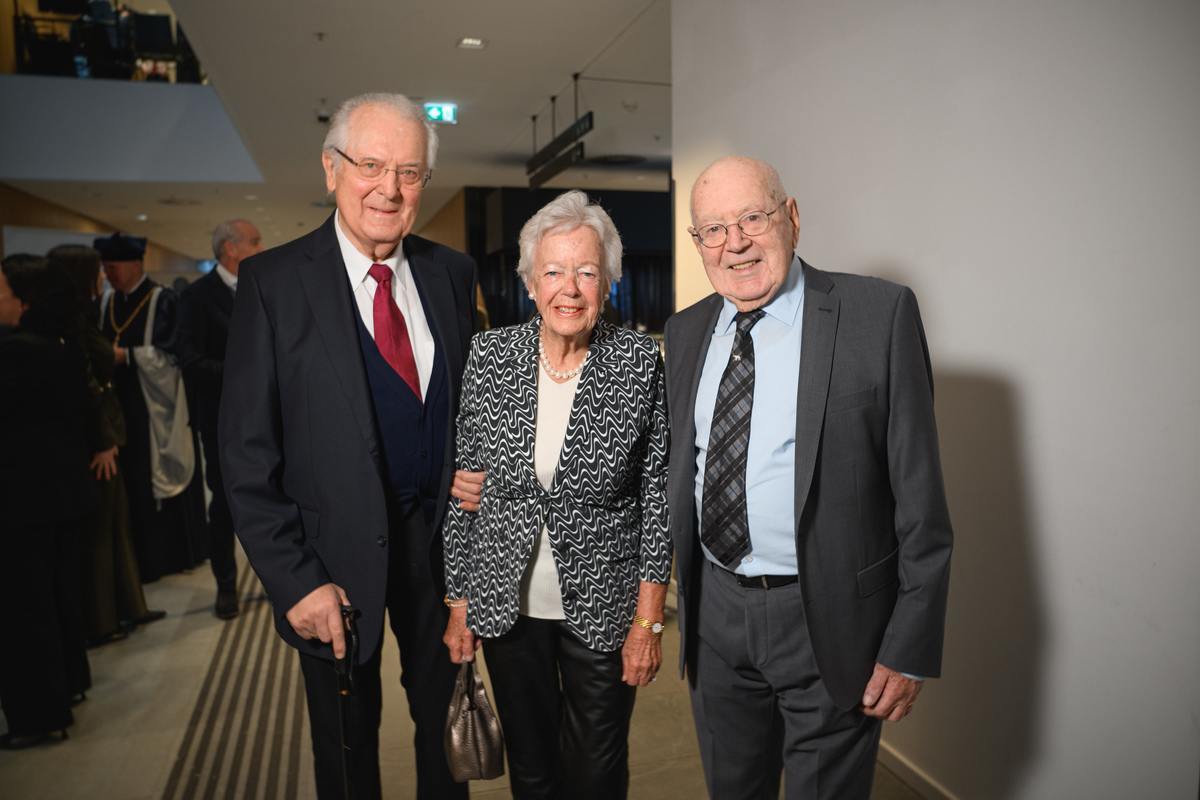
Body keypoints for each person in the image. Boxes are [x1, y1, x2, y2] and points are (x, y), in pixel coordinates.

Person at [664, 156, 954, 799]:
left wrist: (909, 643)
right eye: (713, 229)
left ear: (791, 218)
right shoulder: (685, 332)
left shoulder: (877, 314)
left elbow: (921, 502)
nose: (735, 243)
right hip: (714, 614)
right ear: (697, 242)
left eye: (752, 218)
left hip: (829, 618)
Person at [220, 92, 477, 800]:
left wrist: (480, 471)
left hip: (439, 559)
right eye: (370, 165)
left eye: (409, 172)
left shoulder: (452, 274)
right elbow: (244, 454)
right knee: (345, 753)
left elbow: (471, 408)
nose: (389, 189)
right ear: (331, 168)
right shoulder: (274, 284)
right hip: (329, 565)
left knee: (448, 743)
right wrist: (293, 580)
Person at [441, 190, 672, 799]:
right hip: (507, 604)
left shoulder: (639, 363)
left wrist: (648, 620)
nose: (569, 288)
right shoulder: (491, 356)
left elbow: (658, 501)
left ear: (609, 283)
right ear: (529, 283)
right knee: (532, 768)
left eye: (587, 272)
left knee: (597, 770)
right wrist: (458, 600)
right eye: (553, 272)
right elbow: (465, 490)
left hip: (605, 605)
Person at [46, 244, 162, 646]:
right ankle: (103, 618)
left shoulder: (80, 315)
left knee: (115, 525)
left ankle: (126, 607)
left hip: (105, 436)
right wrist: (103, 439)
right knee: (101, 532)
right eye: (98, 270)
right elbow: (88, 386)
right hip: (97, 444)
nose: (103, 277)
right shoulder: (72, 321)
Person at [0, 255, 93, 748]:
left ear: (24, 300)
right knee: (57, 598)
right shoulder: (59, 345)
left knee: (25, 612)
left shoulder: (16, 352)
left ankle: (39, 716)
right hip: (59, 494)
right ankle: (69, 684)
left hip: (22, 502)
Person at [96, 232, 205, 584]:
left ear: (135, 264)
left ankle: (171, 554)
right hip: (117, 405)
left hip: (154, 405)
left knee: (154, 474)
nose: (110, 274)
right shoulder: (106, 302)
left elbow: (175, 356)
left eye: (114, 267)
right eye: (105, 268)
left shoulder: (163, 300)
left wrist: (126, 356)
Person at [177, 219, 262, 620]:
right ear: (231, 248)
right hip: (220, 421)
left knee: (275, 500)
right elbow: (190, 360)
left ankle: (283, 581)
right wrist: (245, 373)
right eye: (254, 241)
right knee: (225, 506)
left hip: (270, 417)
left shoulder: (263, 286)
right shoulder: (196, 297)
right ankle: (227, 587)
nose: (261, 248)